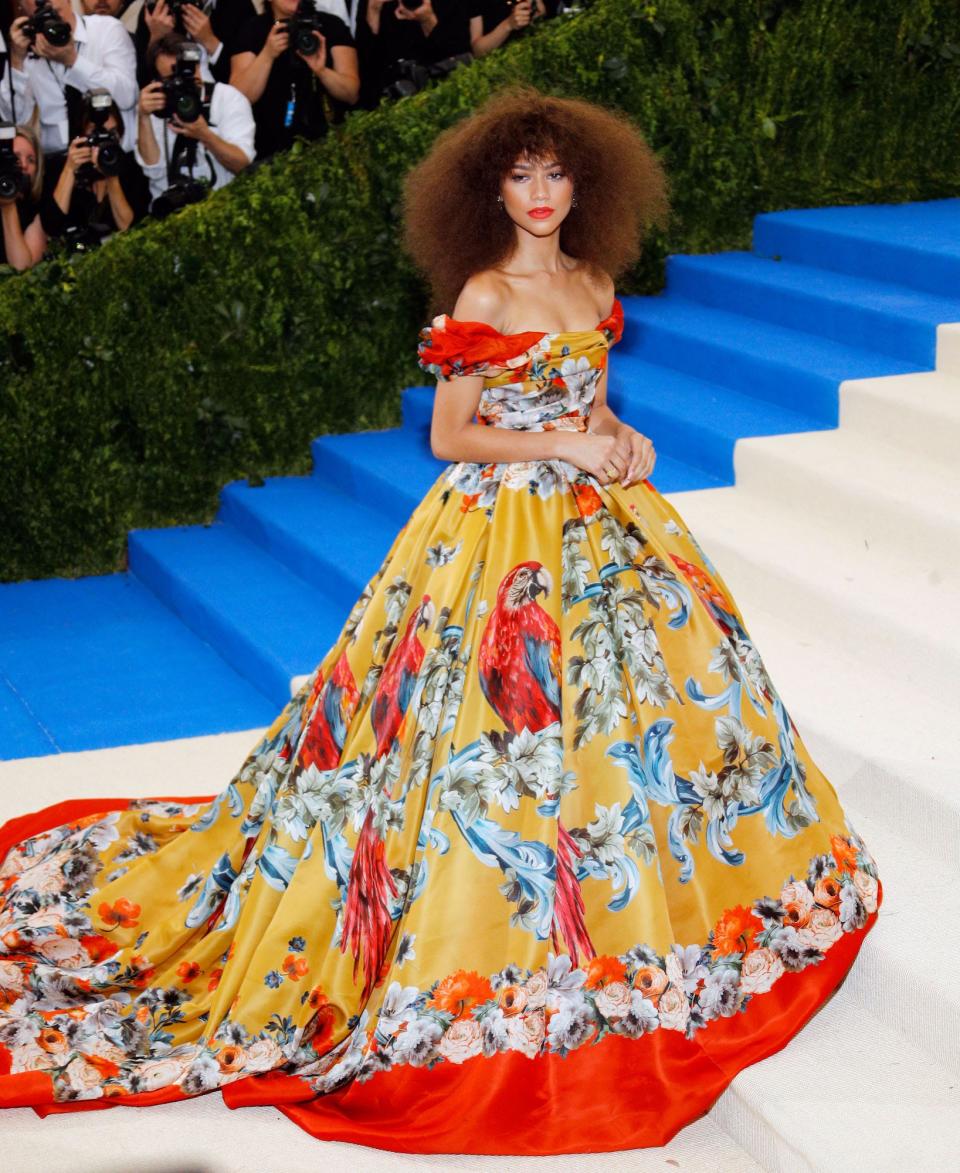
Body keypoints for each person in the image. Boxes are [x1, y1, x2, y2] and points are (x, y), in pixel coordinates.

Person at [0, 83, 882, 1152]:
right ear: (491, 187)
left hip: (603, 530)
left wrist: (620, 439)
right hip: (494, 536)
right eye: (523, 175)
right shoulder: (483, 294)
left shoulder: (598, 279)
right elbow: (454, 438)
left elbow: (593, 401)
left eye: (558, 174)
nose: (543, 193)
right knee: (484, 739)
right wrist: (562, 445)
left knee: (633, 727)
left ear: (586, 183)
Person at [135, 32, 254, 212]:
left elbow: (242, 165)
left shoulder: (227, 98)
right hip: (170, 218)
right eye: (172, 77)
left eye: (188, 70)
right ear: (158, 81)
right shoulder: (155, 107)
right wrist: (143, 116)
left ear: (198, 65)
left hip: (226, 210)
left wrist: (205, 135)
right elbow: (153, 171)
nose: (184, 80)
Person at [4, 0, 139, 154]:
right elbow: (13, 120)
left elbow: (127, 97)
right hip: (58, 162)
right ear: (21, 6)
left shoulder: (106, 29)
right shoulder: (24, 48)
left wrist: (73, 61)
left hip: (113, 154)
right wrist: (16, 62)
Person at [229, 0, 359, 161]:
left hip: (329, 146)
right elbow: (238, 98)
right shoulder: (252, 30)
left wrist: (321, 71)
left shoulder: (331, 26)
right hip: (269, 150)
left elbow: (351, 93)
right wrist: (267, 54)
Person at [40, 89, 150, 245]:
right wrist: (70, 170)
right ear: (81, 135)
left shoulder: (131, 168)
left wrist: (112, 176)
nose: (104, 140)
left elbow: (130, 230)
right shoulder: (60, 168)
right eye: (96, 133)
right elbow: (52, 226)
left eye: (111, 133)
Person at [0, 122, 47, 268]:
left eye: (31, 160)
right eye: (15, 158)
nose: (23, 165)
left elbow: (21, 268)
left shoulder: (40, 209)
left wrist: (8, 204)